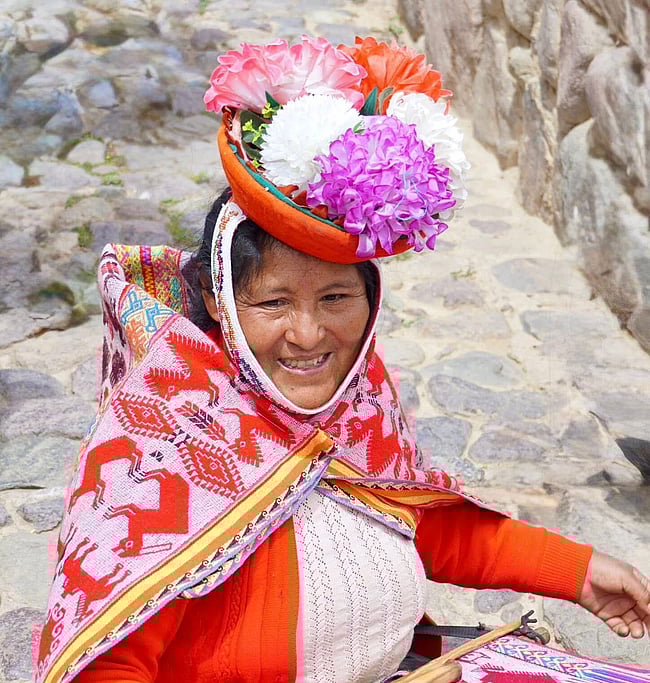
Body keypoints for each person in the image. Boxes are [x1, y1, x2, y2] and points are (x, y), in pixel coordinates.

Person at [36, 36, 649, 683]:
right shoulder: (159, 443)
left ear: (370, 300)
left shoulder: (357, 399)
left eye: (335, 298)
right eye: (273, 301)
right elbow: (107, 664)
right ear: (220, 302)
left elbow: (420, 524)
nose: (308, 335)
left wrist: (580, 573)